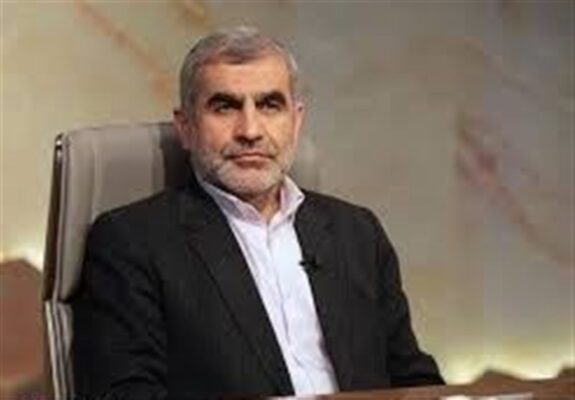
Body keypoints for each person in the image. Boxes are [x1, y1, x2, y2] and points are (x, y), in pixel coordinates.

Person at [72, 26, 444, 399]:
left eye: (269, 105)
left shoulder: (357, 232)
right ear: (186, 127)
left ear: (296, 122)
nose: (250, 130)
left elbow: (413, 378)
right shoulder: (132, 242)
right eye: (225, 106)